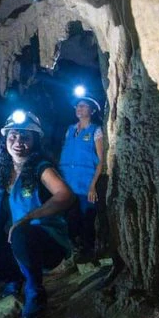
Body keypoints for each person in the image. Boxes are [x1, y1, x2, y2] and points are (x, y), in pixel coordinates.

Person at [0, 110, 74, 318]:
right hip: (14, 243)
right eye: (13, 135)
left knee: (21, 233)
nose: (18, 141)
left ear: (35, 141)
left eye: (25, 137)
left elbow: (66, 196)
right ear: (5, 138)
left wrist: (28, 217)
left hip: (45, 244)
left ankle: (35, 292)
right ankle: (14, 279)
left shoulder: (41, 168)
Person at [58, 94, 105, 260]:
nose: (79, 108)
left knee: (87, 220)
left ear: (92, 110)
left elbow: (101, 160)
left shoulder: (96, 130)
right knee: (70, 218)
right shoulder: (70, 130)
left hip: (86, 185)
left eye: (84, 106)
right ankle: (73, 252)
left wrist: (93, 185)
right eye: (78, 106)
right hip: (68, 183)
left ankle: (89, 252)